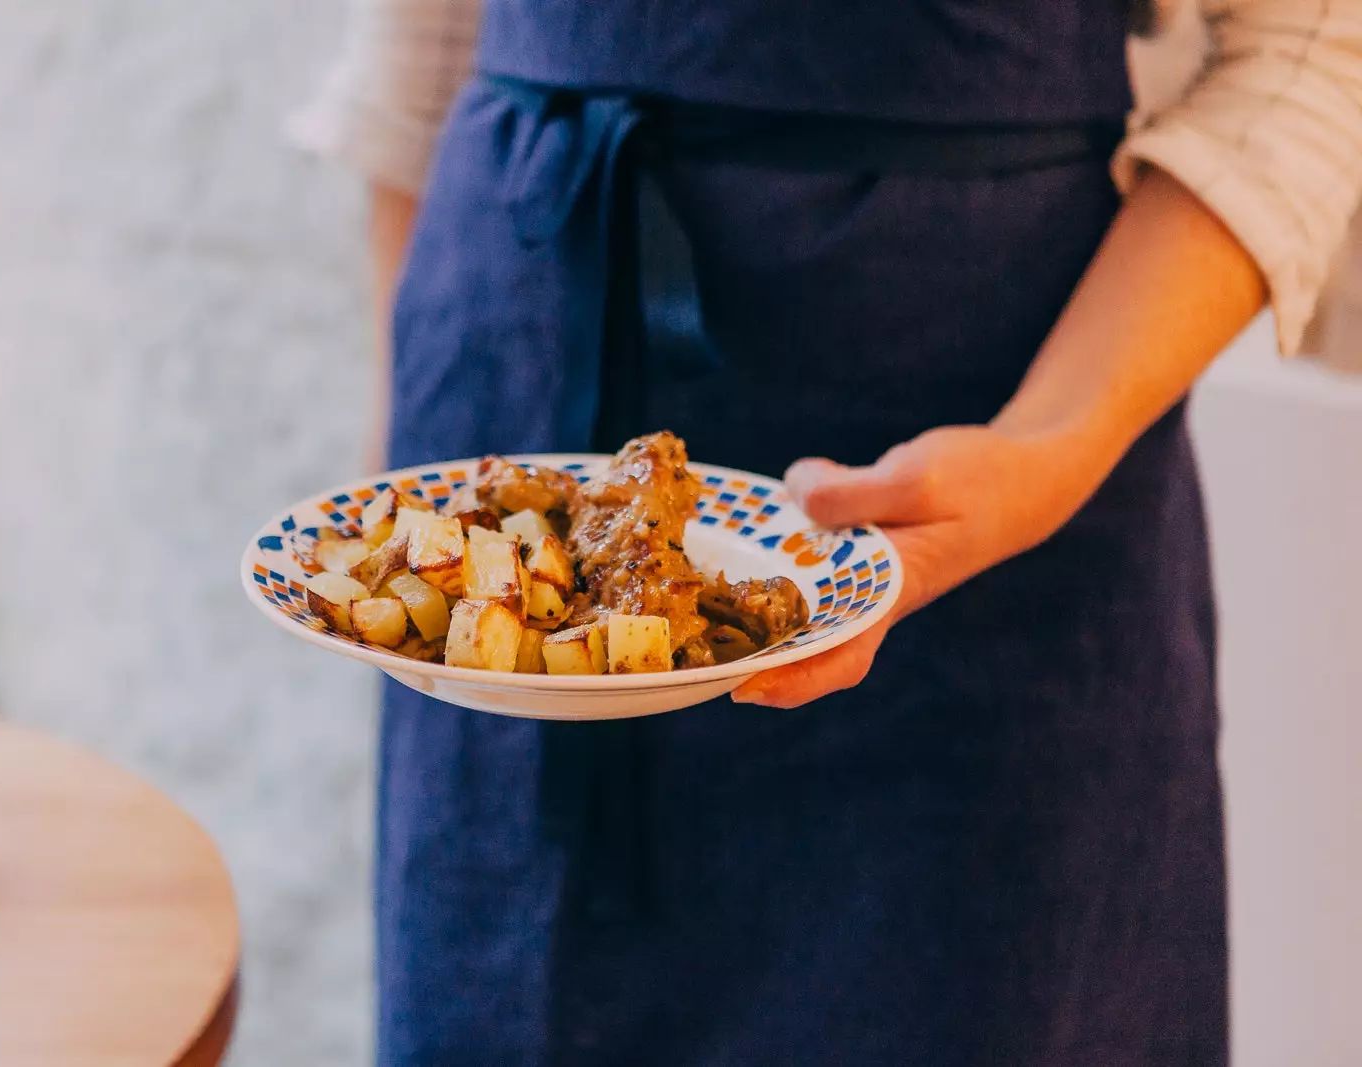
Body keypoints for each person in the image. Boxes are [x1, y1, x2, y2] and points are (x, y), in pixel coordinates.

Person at [295, 1, 1362, 1063]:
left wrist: (1054, 442)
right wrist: (408, 437)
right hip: (525, 348)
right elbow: (428, 35)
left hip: (995, 450)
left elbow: (1310, 44)